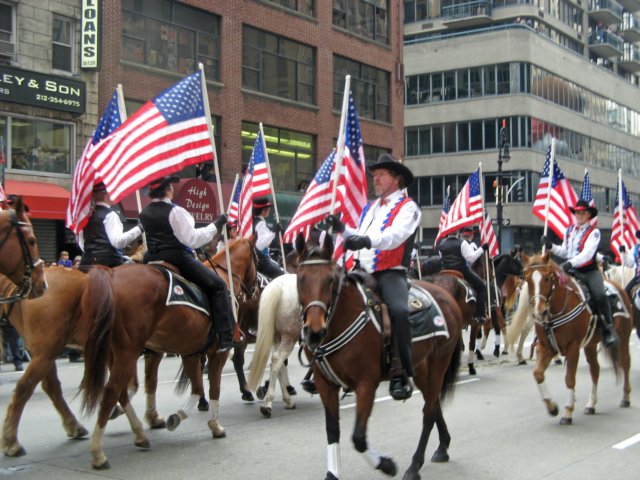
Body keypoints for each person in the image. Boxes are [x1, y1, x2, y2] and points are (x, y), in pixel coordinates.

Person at [327, 153, 421, 401]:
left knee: (399, 310)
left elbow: (395, 236)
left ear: (396, 179)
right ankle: (324, 359)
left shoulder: (409, 208)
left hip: (390, 273)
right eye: (375, 175)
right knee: (330, 297)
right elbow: (357, 235)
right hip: (362, 271)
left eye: (381, 174)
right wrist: (342, 229)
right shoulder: (370, 208)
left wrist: (367, 240)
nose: (375, 179)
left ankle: (401, 373)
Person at [139, 175, 235, 352]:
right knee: (219, 286)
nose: (173, 189)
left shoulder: (144, 212)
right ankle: (225, 336)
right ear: (168, 190)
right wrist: (217, 224)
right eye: (171, 187)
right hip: (177, 257)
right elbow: (192, 239)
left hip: (151, 258)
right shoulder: (175, 212)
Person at [541, 199, 619, 347]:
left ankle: (608, 328)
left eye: (583, 213)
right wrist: (550, 246)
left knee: (600, 294)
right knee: (549, 289)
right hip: (570, 270)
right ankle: (547, 324)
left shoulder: (594, 232)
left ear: (589, 215)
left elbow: (587, 254)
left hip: (588, 271)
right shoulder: (569, 230)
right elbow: (565, 251)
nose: (579, 215)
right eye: (577, 213)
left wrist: (570, 262)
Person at [79, 182, 142, 267]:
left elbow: (81, 242)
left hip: (86, 261)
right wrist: (140, 228)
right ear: (107, 194)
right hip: (108, 263)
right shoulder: (110, 215)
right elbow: (118, 242)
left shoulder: (85, 216)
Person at [436, 226, 488, 323]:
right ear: (458, 232)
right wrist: (482, 248)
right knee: (482, 287)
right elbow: (471, 258)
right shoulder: (462, 242)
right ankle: (479, 315)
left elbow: (441, 257)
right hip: (460, 270)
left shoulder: (441, 243)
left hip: (444, 271)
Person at [253, 196, 285, 279]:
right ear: (263, 210)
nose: (269, 210)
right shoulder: (260, 224)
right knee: (284, 276)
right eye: (268, 208)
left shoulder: (256, 221)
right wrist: (273, 232)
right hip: (262, 261)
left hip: (263, 259)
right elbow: (259, 245)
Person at [618, 229, 640, 299]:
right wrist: (623, 254)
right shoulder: (636, 248)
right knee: (625, 293)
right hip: (638, 277)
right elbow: (630, 263)